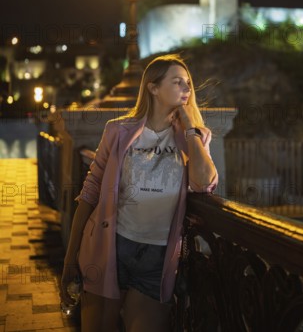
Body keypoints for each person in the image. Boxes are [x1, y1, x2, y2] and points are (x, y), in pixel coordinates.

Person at [60, 54, 219, 332]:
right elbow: (89, 195)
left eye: (188, 83)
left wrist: (190, 128)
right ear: (153, 87)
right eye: (177, 81)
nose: (187, 88)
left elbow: (204, 183)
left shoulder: (194, 136)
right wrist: (70, 258)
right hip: (110, 248)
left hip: (157, 257)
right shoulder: (118, 131)